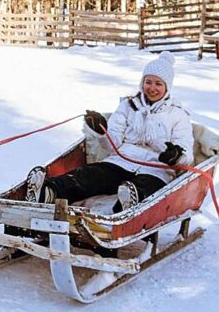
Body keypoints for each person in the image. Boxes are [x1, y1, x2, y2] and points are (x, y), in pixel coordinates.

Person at [24, 51, 194, 213]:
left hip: (155, 168)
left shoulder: (178, 115)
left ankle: (129, 202)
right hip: (121, 161)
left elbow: (186, 153)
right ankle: (48, 191)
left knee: (147, 187)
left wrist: (176, 156)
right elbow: (112, 144)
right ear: (142, 82)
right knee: (91, 175)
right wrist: (101, 131)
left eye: (158, 84)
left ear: (167, 87)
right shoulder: (128, 106)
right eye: (148, 82)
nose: (152, 88)